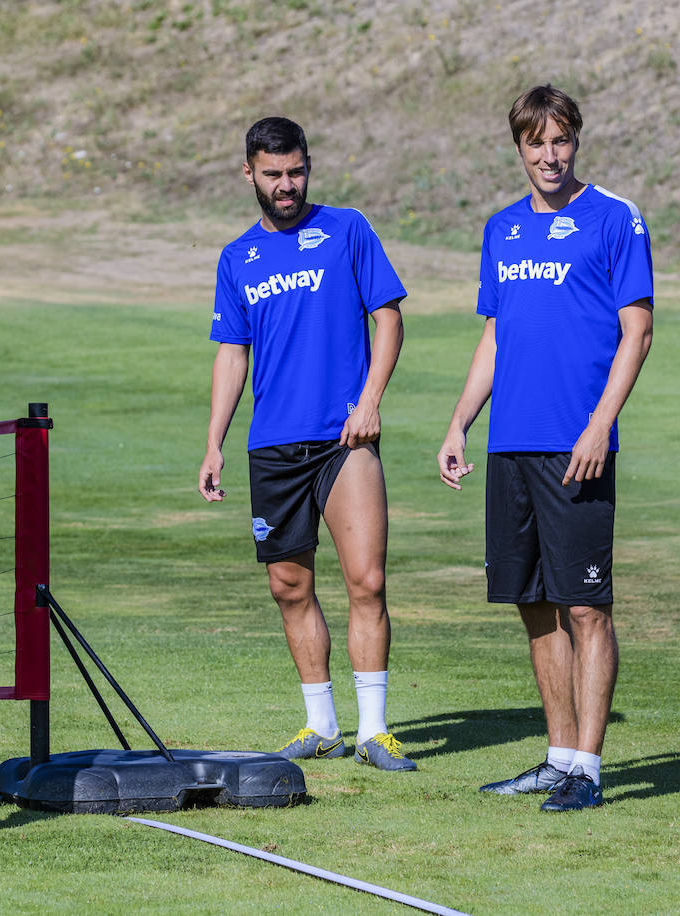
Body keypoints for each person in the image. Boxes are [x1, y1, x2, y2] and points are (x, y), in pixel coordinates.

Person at [436, 85, 654, 811]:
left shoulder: (616, 218)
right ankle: (559, 757)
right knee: (533, 604)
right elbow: (495, 337)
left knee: (586, 607)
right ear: (519, 147)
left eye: (561, 141)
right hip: (511, 447)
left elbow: (638, 330)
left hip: (578, 446)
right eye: (536, 143)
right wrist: (460, 421)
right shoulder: (502, 230)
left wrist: (599, 424)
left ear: (577, 141)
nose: (549, 156)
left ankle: (587, 772)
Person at [198, 116, 415, 772]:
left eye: (296, 172)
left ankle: (374, 731)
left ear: (308, 166)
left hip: (344, 441)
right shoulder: (237, 258)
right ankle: (321, 724)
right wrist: (214, 444)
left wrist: (371, 400)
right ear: (250, 174)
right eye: (273, 175)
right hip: (273, 447)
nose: (287, 185)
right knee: (290, 589)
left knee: (366, 580)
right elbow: (231, 355)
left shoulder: (348, 229)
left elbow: (389, 317)